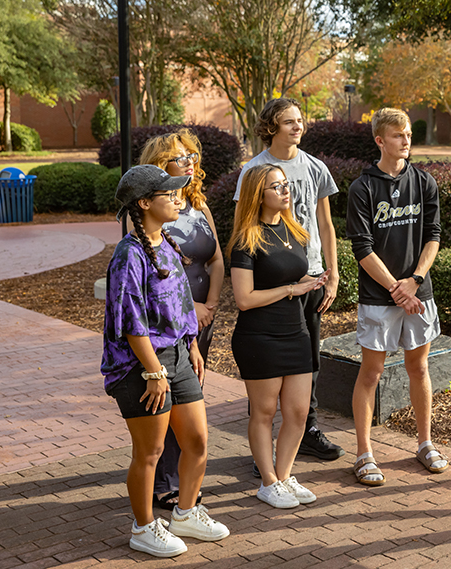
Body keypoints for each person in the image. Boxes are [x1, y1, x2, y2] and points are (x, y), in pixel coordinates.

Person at [102, 165, 230, 558]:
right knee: (151, 452)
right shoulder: (130, 255)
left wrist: (191, 343)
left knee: (197, 441)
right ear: (144, 203)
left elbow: (178, 303)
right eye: (168, 194)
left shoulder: (167, 242)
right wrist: (154, 371)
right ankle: (143, 527)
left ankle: (186, 513)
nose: (178, 199)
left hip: (177, 356)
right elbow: (130, 323)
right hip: (141, 365)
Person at [234, 98, 344, 464]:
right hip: (270, 276)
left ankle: (307, 428)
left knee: (306, 361)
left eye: (300, 121)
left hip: (308, 274)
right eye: (288, 122)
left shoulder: (314, 167)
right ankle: (262, 453)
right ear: (271, 127)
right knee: (266, 372)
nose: (298, 127)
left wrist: (332, 273)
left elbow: (325, 225)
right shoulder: (255, 170)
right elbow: (242, 229)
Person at [346, 107, 448, 486]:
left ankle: (424, 443)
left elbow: (433, 235)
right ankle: (364, 453)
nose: (406, 140)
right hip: (379, 297)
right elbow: (362, 248)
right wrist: (396, 288)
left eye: (408, 134)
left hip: (418, 293)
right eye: (398, 135)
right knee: (371, 373)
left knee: (419, 368)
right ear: (380, 140)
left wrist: (415, 281)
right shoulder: (363, 188)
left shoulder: (425, 183)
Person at [228, 164, 328, 508]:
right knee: (265, 411)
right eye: (276, 186)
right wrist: (290, 289)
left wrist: (313, 284)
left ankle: (284, 476)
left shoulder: (294, 231)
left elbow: (298, 278)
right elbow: (244, 299)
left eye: (286, 184)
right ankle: (268, 481)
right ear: (259, 194)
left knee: (299, 411)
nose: (286, 190)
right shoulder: (246, 240)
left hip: (295, 331)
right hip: (259, 336)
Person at [138, 130, 224, 512]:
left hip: (202, 320)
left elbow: (217, 260)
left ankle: (182, 477)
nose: (189, 161)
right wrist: (193, 310)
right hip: (168, 323)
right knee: (168, 398)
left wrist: (212, 304)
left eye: (191, 155)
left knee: (191, 397)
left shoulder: (199, 207)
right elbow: (153, 274)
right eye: (179, 156)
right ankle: (164, 480)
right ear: (161, 165)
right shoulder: (152, 212)